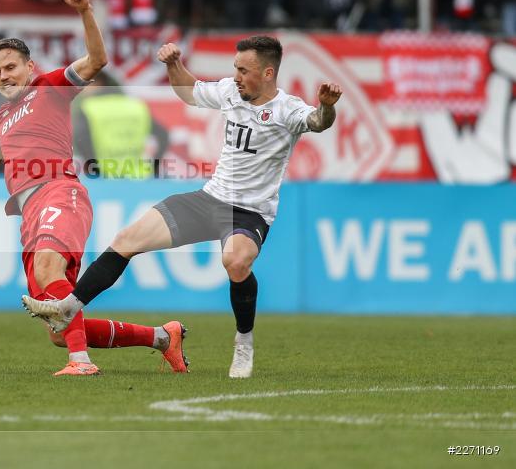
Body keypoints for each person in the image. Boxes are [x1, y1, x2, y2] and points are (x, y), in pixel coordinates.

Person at [23, 35, 343, 379]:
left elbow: (318, 122)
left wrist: (326, 106)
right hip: (210, 199)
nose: (236, 76)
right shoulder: (231, 92)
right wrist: (174, 65)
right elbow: (188, 90)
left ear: (268, 73)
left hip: (249, 211)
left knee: (235, 261)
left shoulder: (287, 109)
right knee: (128, 238)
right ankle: (68, 309)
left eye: (244, 70)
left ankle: (244, 341)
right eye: (235, 68)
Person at [0, 0, 188, 377]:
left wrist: (86, 10)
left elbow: (97, 60)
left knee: (48, 269)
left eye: (10, 67)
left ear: (29, 67)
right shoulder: (3, 117)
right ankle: (161, 337)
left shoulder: (49, 88)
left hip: (59, 191)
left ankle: (81, 363)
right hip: (29, 213)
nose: (4, 76)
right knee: (58, 328)